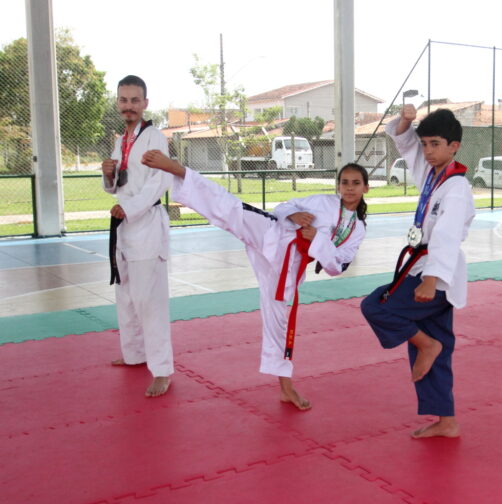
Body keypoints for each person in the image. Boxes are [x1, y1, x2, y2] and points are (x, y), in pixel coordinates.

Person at [141, 151, 369, 411]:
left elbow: (336, 266)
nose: (349, 188)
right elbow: (284, 207)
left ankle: (286, 388)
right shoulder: (323, 202)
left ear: (366, 187)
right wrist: (293, 216)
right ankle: (179, 171)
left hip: (289, 264)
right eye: (345, 183)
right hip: (271, 233)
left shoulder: (357, 230)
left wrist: (316, 239)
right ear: (338, 186)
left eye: (355, 183)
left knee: (278, 321)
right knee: (231, 209)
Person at [361, 106, 475, 439]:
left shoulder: (457, 188)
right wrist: (407, 123)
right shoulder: (432, 172)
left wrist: (430, 279)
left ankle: (426, 346)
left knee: (376, 306)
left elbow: (447, 235)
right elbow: (406, 144)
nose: (427, 151)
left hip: (435, 276)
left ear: (454, 145)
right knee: (437, 341)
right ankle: (447, 421)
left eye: (435, 144)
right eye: (425, 144)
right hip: (423, 266)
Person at [101, 75, 174, 398]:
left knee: (150, 301)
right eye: (123, 100)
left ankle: (162, 370)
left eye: (134, 100)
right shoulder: (122, 140)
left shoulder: (155, 137)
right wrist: (108, 176)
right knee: (126, 293)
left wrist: (128, 208)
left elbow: (158, 182)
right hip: (126, 224)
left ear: (145, 103)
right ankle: (133, 353)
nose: (128, 106)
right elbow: (120, 184)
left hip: (145, 223)